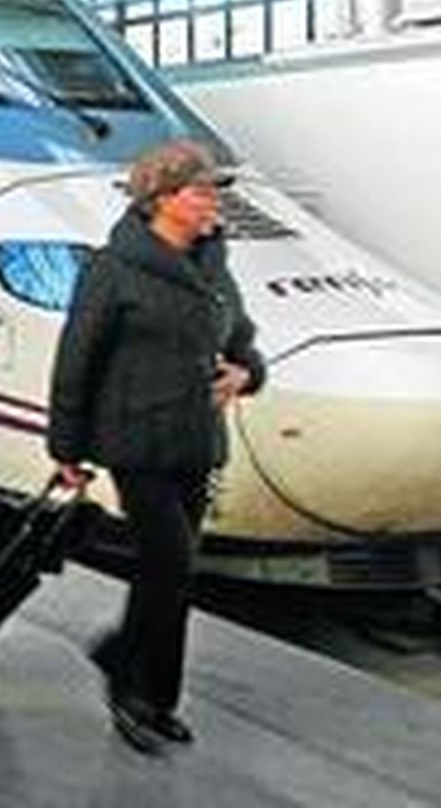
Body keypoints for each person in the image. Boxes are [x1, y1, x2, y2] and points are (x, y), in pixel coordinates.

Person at [46, 138, 265, 753]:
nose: (213, 202)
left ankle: (156, 695)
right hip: (135, 440)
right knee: (167, 564)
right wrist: (66, 447)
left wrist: (248, 372)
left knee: (176, 573)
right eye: (202, 191)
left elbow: (243, 340)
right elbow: (76, 361)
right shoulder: (112, 270)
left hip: (196, 440)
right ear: (163, 199)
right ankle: (125, 680)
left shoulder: (212, 266)